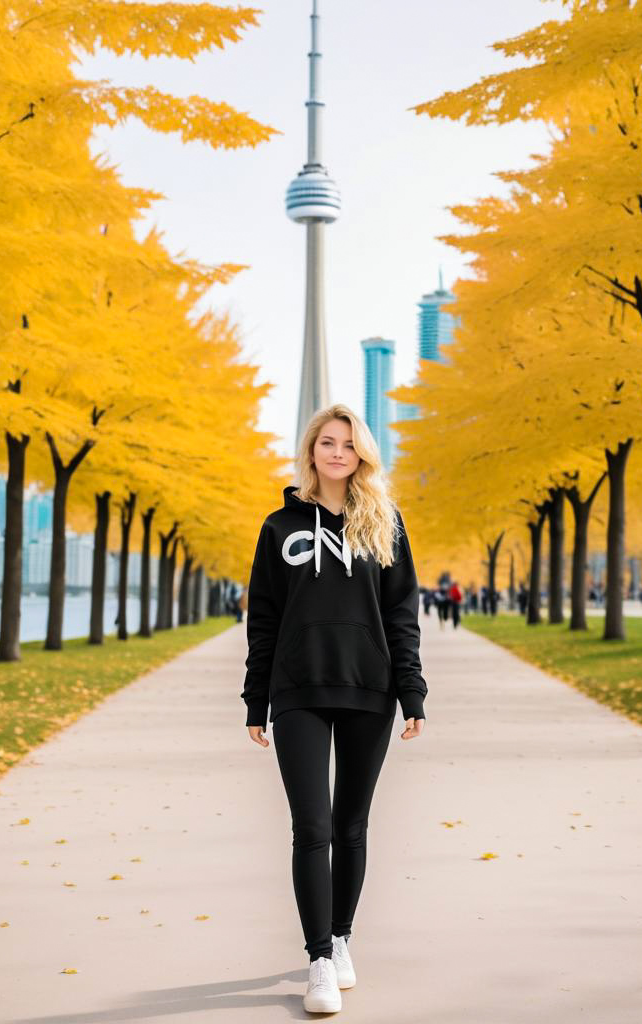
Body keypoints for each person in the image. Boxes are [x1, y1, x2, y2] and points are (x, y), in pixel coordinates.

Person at [240, 403, 428, 1015]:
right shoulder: (278, 527)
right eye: (327, 441)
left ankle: (342, 939)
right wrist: (256, 698)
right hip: (298, 692)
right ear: (311, 450)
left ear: (362, 453)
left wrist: (411, 693)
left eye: (349, 443)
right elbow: (263, 618)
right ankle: (318, 959)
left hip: (367, 692)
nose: (338, 452)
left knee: (351, 827)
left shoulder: (384, 524)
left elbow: (402, 617)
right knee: (311, 828)